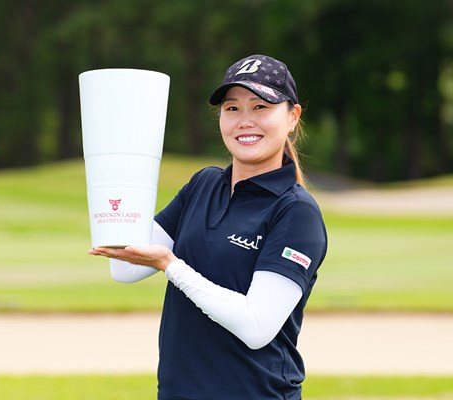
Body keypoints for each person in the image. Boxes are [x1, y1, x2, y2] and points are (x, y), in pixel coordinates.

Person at [89, 54, 327, 400]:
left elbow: (256, 326)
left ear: (292, 117)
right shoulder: (204, 184)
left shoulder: (296, 212)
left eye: (260, 107)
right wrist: (117, 185)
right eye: (232, 109)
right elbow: (124, 269)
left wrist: (171, 266)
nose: (245, 121)